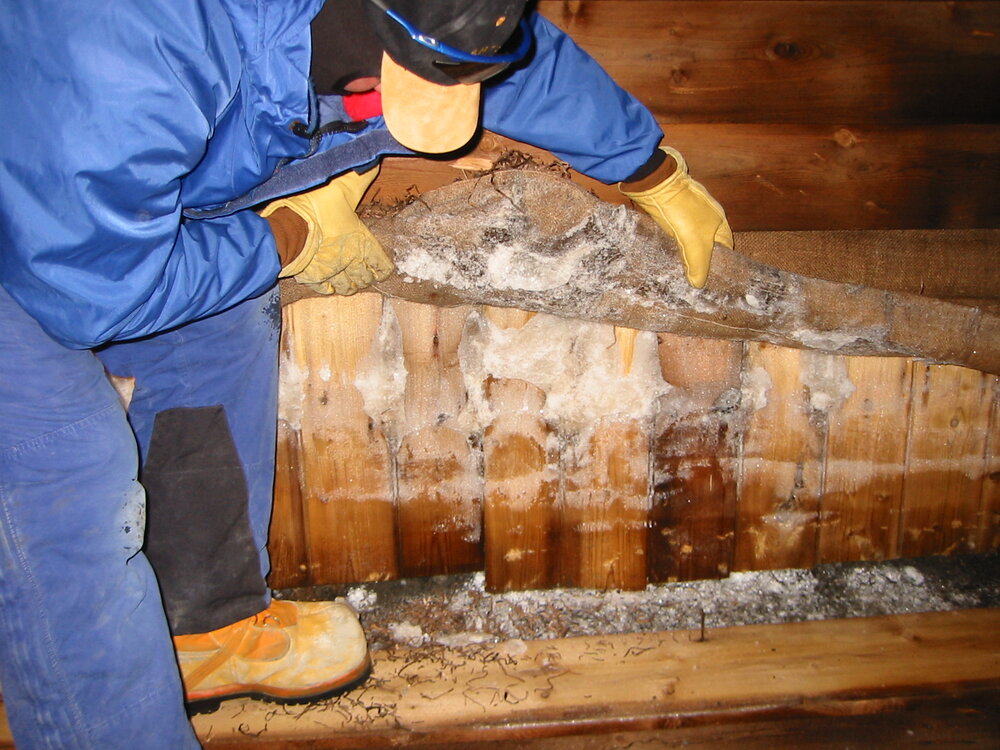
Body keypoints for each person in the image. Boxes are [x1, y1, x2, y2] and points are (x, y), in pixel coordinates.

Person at [0, 0, 731, 746]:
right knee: (65, 473)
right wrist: (283, 238)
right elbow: (91, 293)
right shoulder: (134, 43)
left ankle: (205, 628)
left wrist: (652, 171)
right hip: (32, 224)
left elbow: (511, 62)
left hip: (89, 202)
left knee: (218, 331)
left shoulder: (416, 18)